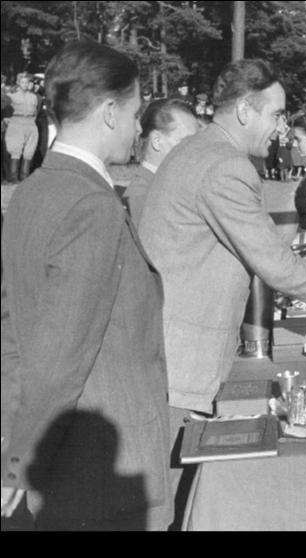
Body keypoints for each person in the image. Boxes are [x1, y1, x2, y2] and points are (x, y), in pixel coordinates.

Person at [136, 59, 306, 513]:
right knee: (173, 505)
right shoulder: (224, 165)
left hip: (171, 352)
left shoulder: (201, 151)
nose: (281, 129)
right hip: (181, 363)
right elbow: (273, 266)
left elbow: (247, 244)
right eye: (276, 114)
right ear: (244, 110)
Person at [0, 40, 173, 530]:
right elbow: (61, 359)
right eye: (137, 112)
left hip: (62, 471)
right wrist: (16, 463)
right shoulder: (91, 206)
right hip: (101, 479)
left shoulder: (32, 191)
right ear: (111, 111)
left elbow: (12, 332)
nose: (140, 127)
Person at [123, 98, 200, 226]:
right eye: (186, 142)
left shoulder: (161, 187)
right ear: (157, 141)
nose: (196, 150)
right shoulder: (144, 196)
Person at [5, 73, 40, 182]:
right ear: (18, 83)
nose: (25, 84)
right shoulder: (11, 96)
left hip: (31, 123)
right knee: (15, 150)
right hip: (17, 122)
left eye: (27, 82)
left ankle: (25, 178)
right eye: (23, 82)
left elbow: (36, 112)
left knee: (29, 151)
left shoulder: (34, 97)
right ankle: (14, 178)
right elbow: (6, 112)